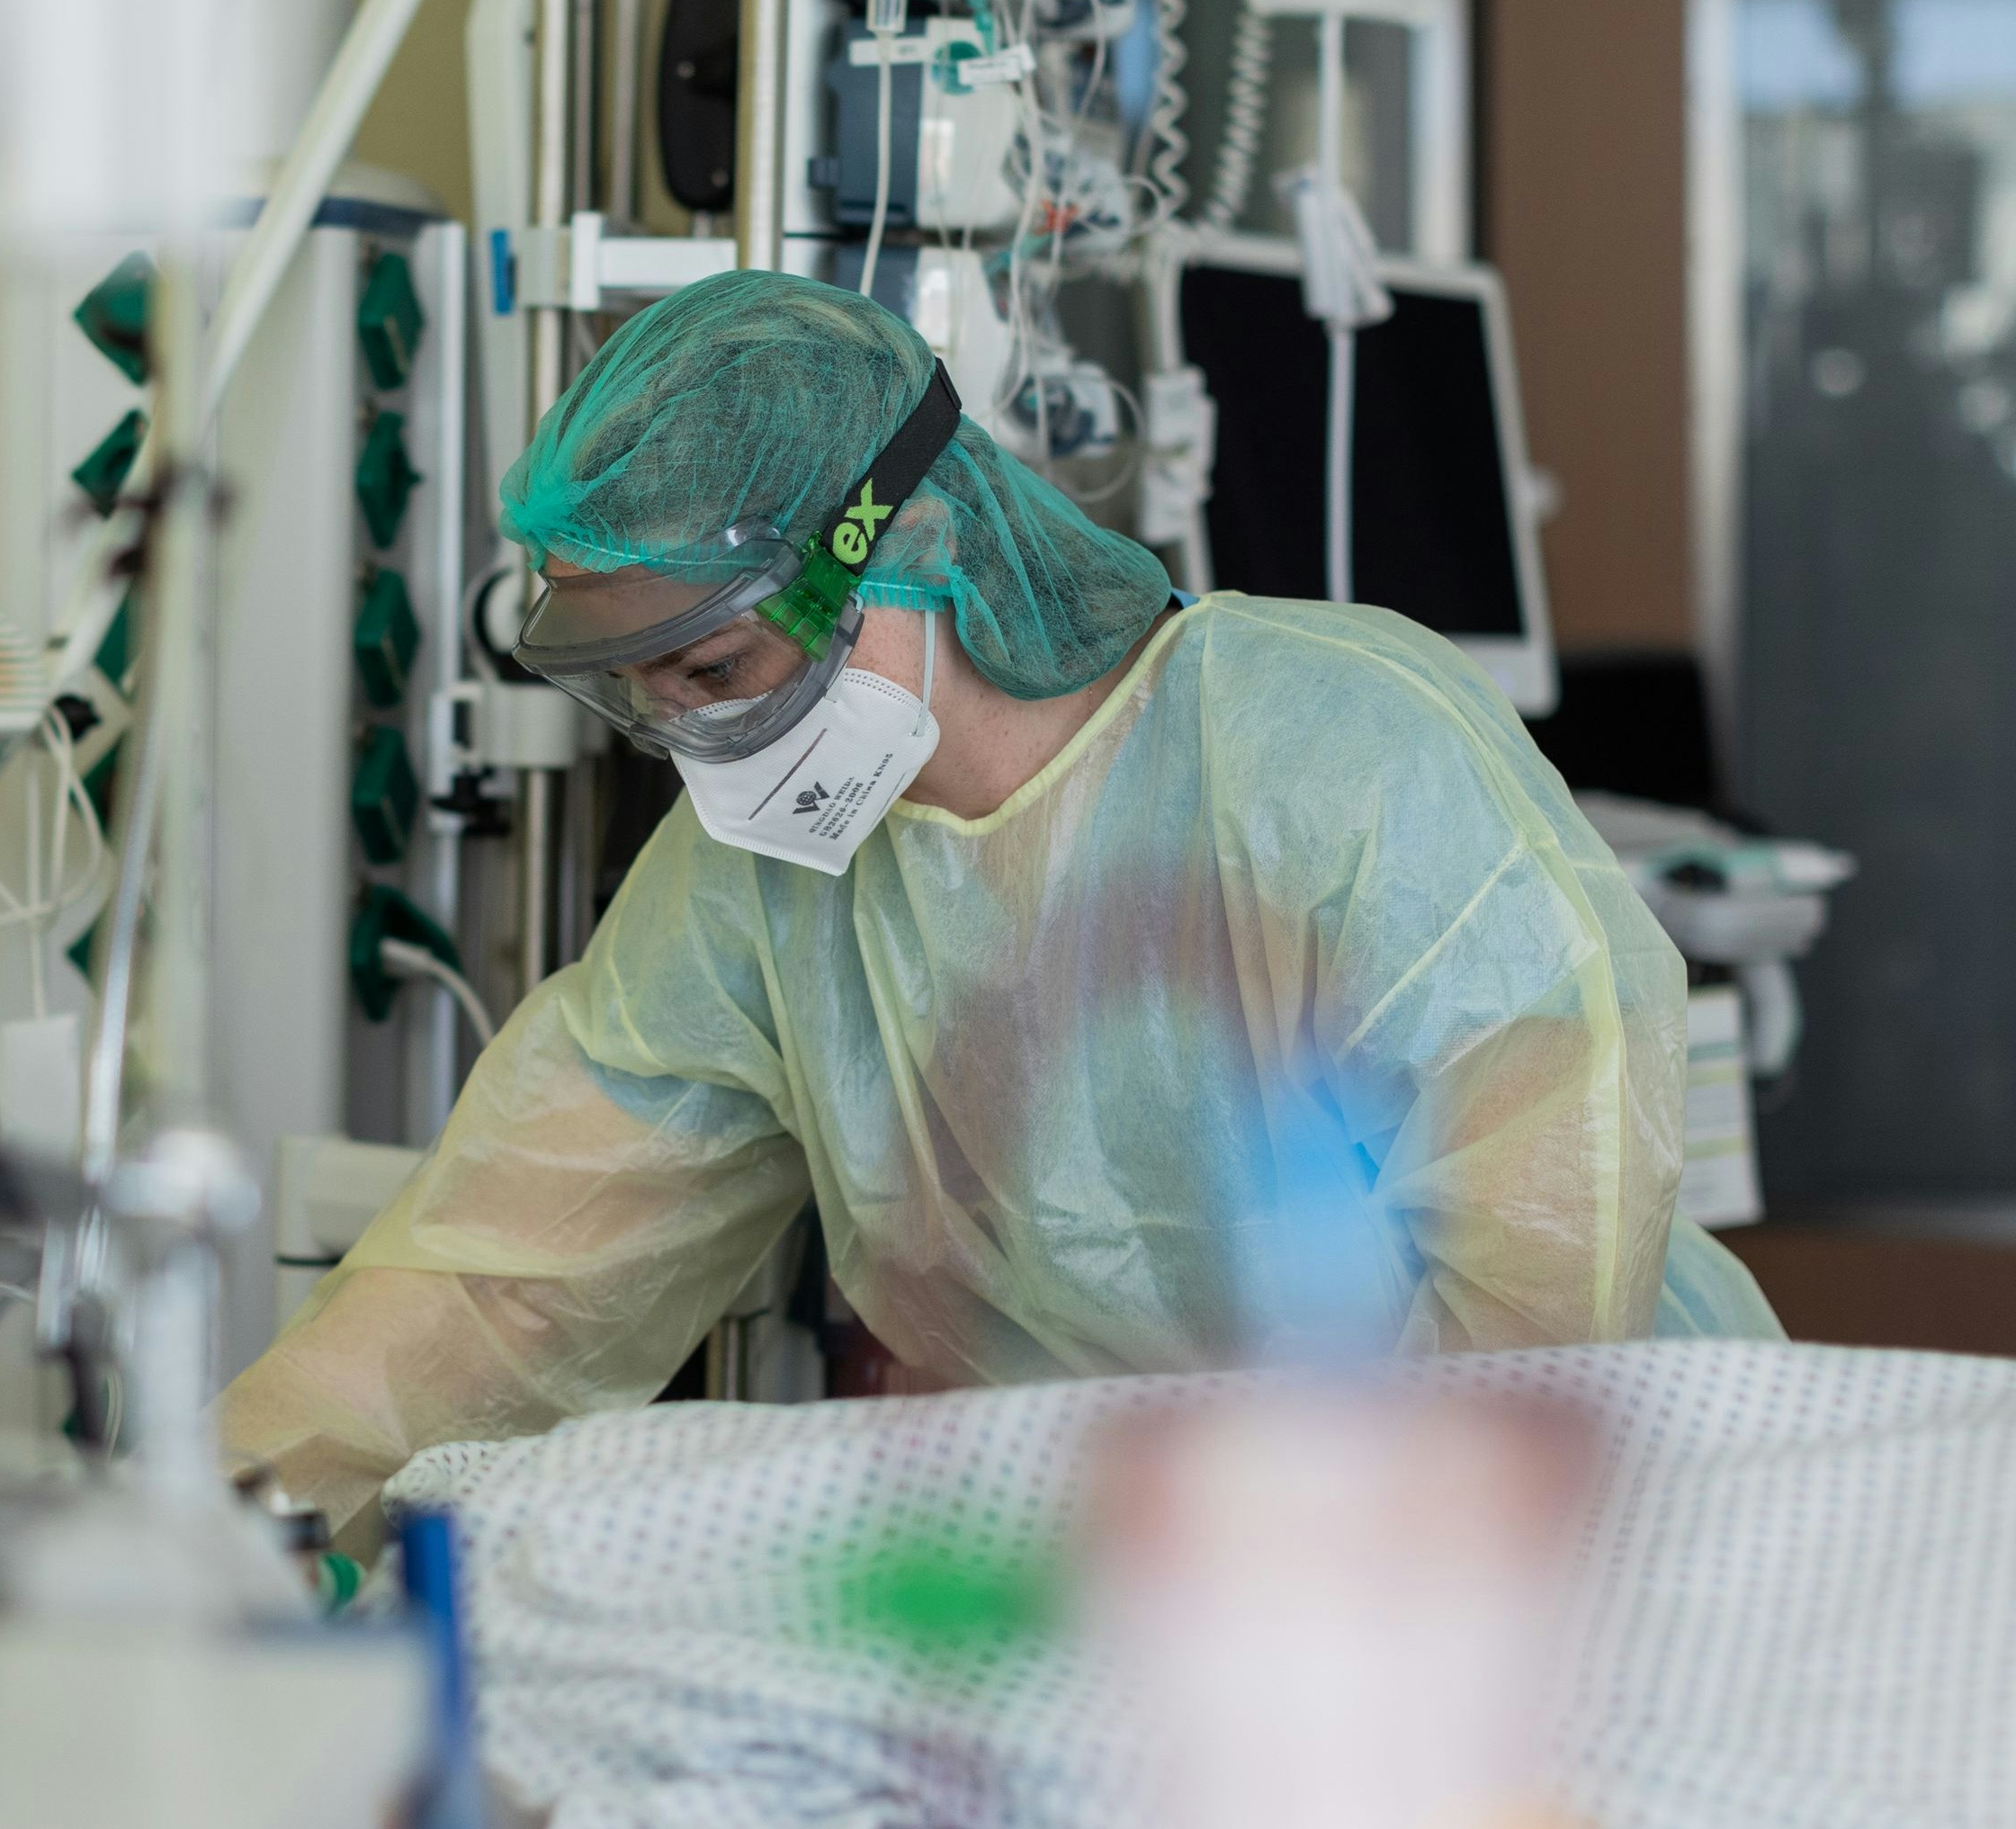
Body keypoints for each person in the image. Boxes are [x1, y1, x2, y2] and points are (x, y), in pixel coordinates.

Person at [222, 272, 1779, 1548]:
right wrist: (234, 1527)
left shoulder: (1331, 752)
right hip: (1153, 1598)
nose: (700, 741)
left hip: (1596, 1548)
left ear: (903, 542)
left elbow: (1537, 1294)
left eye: (720, 673)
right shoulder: (757, 888)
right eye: (649, 701)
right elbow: (506, 1278)